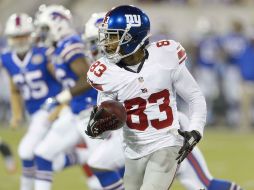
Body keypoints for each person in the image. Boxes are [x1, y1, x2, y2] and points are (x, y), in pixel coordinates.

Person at [84, 9, 243, 190]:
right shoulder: (105, 72)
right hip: (134, 149)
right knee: (99, 162)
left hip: (169, 141)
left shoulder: (165, 56)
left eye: (113, 37)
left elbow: (194, 96)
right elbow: (108, 122)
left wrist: (196, 130)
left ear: (132, 37)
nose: (106, 43)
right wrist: (97, 129)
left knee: (203, 184)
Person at [33, 5, 124, 190]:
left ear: (58, 25)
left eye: (45, 28)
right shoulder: (59, 47)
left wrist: (61, 98)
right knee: (42, 154)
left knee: (104, 166)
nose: (42, 33)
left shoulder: (70, 45)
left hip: (90, 112)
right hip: (76, 112)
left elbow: (86, 78)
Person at [1, 13, 62, 190]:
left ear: (31, 35)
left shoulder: (44, 54)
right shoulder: (7, 59)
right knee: (50, 159)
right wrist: (17, 114)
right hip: (34, 113)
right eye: (16, 37)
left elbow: (64, 80)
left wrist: (62, 105)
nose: (19, 40)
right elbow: (14, 89)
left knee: (27, 150)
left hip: (52, 107)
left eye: (23, 36)